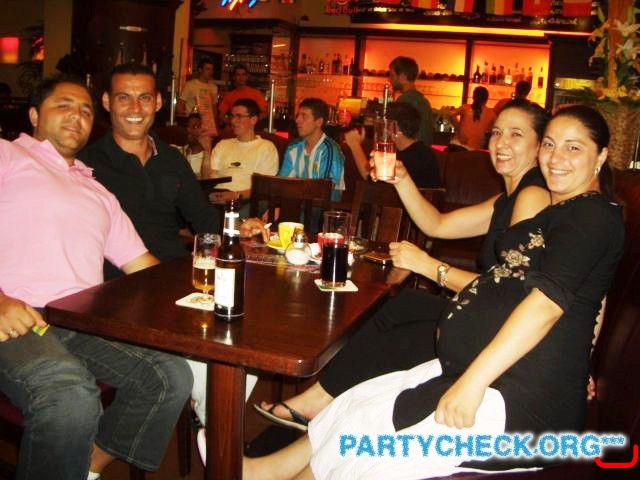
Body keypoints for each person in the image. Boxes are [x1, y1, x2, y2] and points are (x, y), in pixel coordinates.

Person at [246, 105, 624, 480]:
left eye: (574, 147)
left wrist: (473, 382)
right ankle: (262, 471)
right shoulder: (559, 211)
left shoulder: (588, 214)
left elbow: (546, 305)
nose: (557, 158)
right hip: (494, 369)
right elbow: (591, 294)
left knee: (368, 450)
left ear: (601, 156)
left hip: (521, 400)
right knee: (357, 408)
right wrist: (401, 178)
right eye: (551, 145)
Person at [257, 99, 552, 430]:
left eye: (516, 134)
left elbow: (510, 290)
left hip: (497, 329)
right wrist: (402, 179)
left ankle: (332, 410)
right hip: (482, 313)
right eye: (497, 132)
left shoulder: (532, 197)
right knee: (389, 304)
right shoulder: (509, 198)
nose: (501, 142)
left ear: (541, 146)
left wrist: (430, 267)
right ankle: (320, 401)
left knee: (397, 336)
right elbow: (437, 224)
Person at [0, 74, 193, 480]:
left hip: (80, 320)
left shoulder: (97, 191)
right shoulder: (7, 155)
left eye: (86, 111)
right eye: (64, 105)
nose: (77, 116)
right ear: (34, 115)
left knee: (170, 376)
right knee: (71, 396)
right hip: (17, 316)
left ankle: (83, 467)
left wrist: (197, 298)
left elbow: (143, 267)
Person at [78, 63, 265, 466]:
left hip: (177, 282)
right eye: (124, 97)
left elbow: (204, 220)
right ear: (107, 102)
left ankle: (215, 433)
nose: (135, 107)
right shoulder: (86, 164)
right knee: (213, 360)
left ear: (159, 103)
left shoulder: (172, 160)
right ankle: (221, 445)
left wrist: (238, 229)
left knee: (246, 345)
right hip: (116, 291)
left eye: (144, 97)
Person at [344, 102, 441, 187]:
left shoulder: (403, 159)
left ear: (396, 128)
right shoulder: (426, 153)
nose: (384, 130)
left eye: (386, 125)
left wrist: (354, 144)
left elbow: (370, 176)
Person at [208, 98, 279, 208]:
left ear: (253, 120)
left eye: (239, 116)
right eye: (232, 116)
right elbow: (209, 178)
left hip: (244, 200)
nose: (233, 121)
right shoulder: (222, 144)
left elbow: (264, 188)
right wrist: (206, 148)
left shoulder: (266, 148)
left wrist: (235, 195)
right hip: (217, 196)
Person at [278, 97, 345, 201]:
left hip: (324, 208)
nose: (297, 120)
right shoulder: (293, 148)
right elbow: (281, 183)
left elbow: (324, 190)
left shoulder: (330, 149)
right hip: (299, 204)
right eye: (297, 116)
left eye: (304, 116)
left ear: (319, 122)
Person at [389, 56, 434, 147]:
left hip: (411, 152)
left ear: (403, 76)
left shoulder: (404, 101)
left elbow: (396, 135)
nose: (390, 79)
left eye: (392, 75)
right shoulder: (423, 101)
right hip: (423, 152)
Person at [177, 57, 218, 153]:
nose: (210, 72)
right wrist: (185, 121)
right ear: (200, 70)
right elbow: (180, 104)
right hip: (193, 125)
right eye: (207, 69)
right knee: (192, 150)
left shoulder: (214, 87)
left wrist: (215, 125)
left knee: (206, 150)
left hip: (207, 126)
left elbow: (214, 107)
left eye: (211, 69)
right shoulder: (190, 85)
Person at [218, 63, 268, 128]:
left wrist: (251, 122)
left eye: (243, 75)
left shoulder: (256, 93)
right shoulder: (229, 95)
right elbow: (221, 116)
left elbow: (265, 113)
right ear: (234, 77)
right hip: (235, 130)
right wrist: (233, 123)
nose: (241, 77)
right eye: (238, 75)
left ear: (247, 77)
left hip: (251, 129)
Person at [448, 86, 497, 151]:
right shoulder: (491, 113)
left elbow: (450, 114)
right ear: (486, 99)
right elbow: (497, 128)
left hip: (455, 145)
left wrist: (460, 131)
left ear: (473, 97)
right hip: (471, 150)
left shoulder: (466, 107)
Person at [180, 112, 208, 178]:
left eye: (195, 127)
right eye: (187, 126)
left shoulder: (208, 157)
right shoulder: (178, 151)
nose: (189, 130)